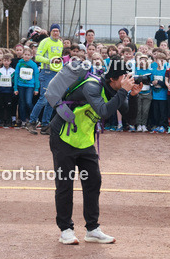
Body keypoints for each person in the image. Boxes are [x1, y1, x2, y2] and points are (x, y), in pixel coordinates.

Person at [51, 58, 139, 244]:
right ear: (112, 79)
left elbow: (130, 118)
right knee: (65, 184)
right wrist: (123, 92)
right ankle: (65, 230)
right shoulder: (92, 87)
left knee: (93, 181)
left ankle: (92, 229)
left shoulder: (115, 91)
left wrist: (133, 95)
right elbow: (104, 111)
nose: (127, 80)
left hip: (84, 140)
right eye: (124, 77)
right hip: (63, 136)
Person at [28, 23, 64, 134]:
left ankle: (45, 125)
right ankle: (32, 122)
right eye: (53, 30)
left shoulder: (60, 43)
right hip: (46, 72)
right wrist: (50, 61)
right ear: (50, 32)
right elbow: (37, 57)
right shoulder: (45, 42)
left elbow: (58, 58)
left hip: (56, 73)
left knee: (51, 100)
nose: (56, 32)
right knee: (43, 99)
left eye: (57, 30)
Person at [15, 47, 39, 127]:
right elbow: (16, 76)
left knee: (28, 102)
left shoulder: (33, 64)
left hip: (30, 86)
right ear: (23, 55)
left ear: (31, 56)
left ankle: (34, 118)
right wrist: (15, 88)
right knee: (22, 103)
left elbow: (36, 76)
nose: (27, 56)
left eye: (28, 55)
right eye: (25, 54)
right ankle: (23, 120)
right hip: (20, 85)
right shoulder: (19, 64)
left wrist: (36, 88)